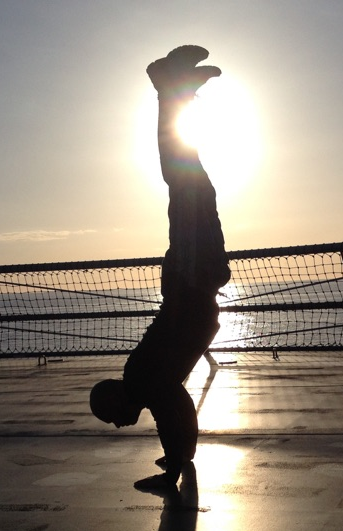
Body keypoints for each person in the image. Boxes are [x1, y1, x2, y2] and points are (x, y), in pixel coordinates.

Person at [90, 45, 230, 490]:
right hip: (193, 281)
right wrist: (180, 455)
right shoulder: (146, 382)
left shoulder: (143, 381)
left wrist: (174, 467)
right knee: (193, 183)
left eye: (111, 416)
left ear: (118, 398)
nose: (116, 424)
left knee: (184, 180)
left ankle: (168, 89)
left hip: (192, 278)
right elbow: (177, 406)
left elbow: (172, 410)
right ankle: (177, 93)